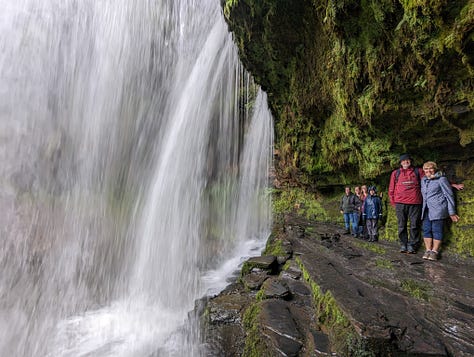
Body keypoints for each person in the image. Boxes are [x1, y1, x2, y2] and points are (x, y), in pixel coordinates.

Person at [420, 161, 459, 261]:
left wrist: (452, 212)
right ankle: (428, 250)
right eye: (426, 169)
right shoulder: (423, 180)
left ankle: (434, 252)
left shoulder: (441, 179)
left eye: (430, 168)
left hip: (438, 209)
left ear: (435, 169)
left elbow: (449, 196)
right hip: (426, 209)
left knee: (436, 230)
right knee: (426, 229)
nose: (428, 171)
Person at [388, 154, 423, 254]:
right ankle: (403, 244)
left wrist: (449, 183)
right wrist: (393, 202)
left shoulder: (418, 171)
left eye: (407, 160)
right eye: (403, 161)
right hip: (400, 203)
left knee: (414, 225)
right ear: (400, 163)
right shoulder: (396, 173)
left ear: (410, 161)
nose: (405, 162)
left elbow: (430, 176)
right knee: (401, 225)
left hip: (415, 202)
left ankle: (412, 245)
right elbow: (391, 188)